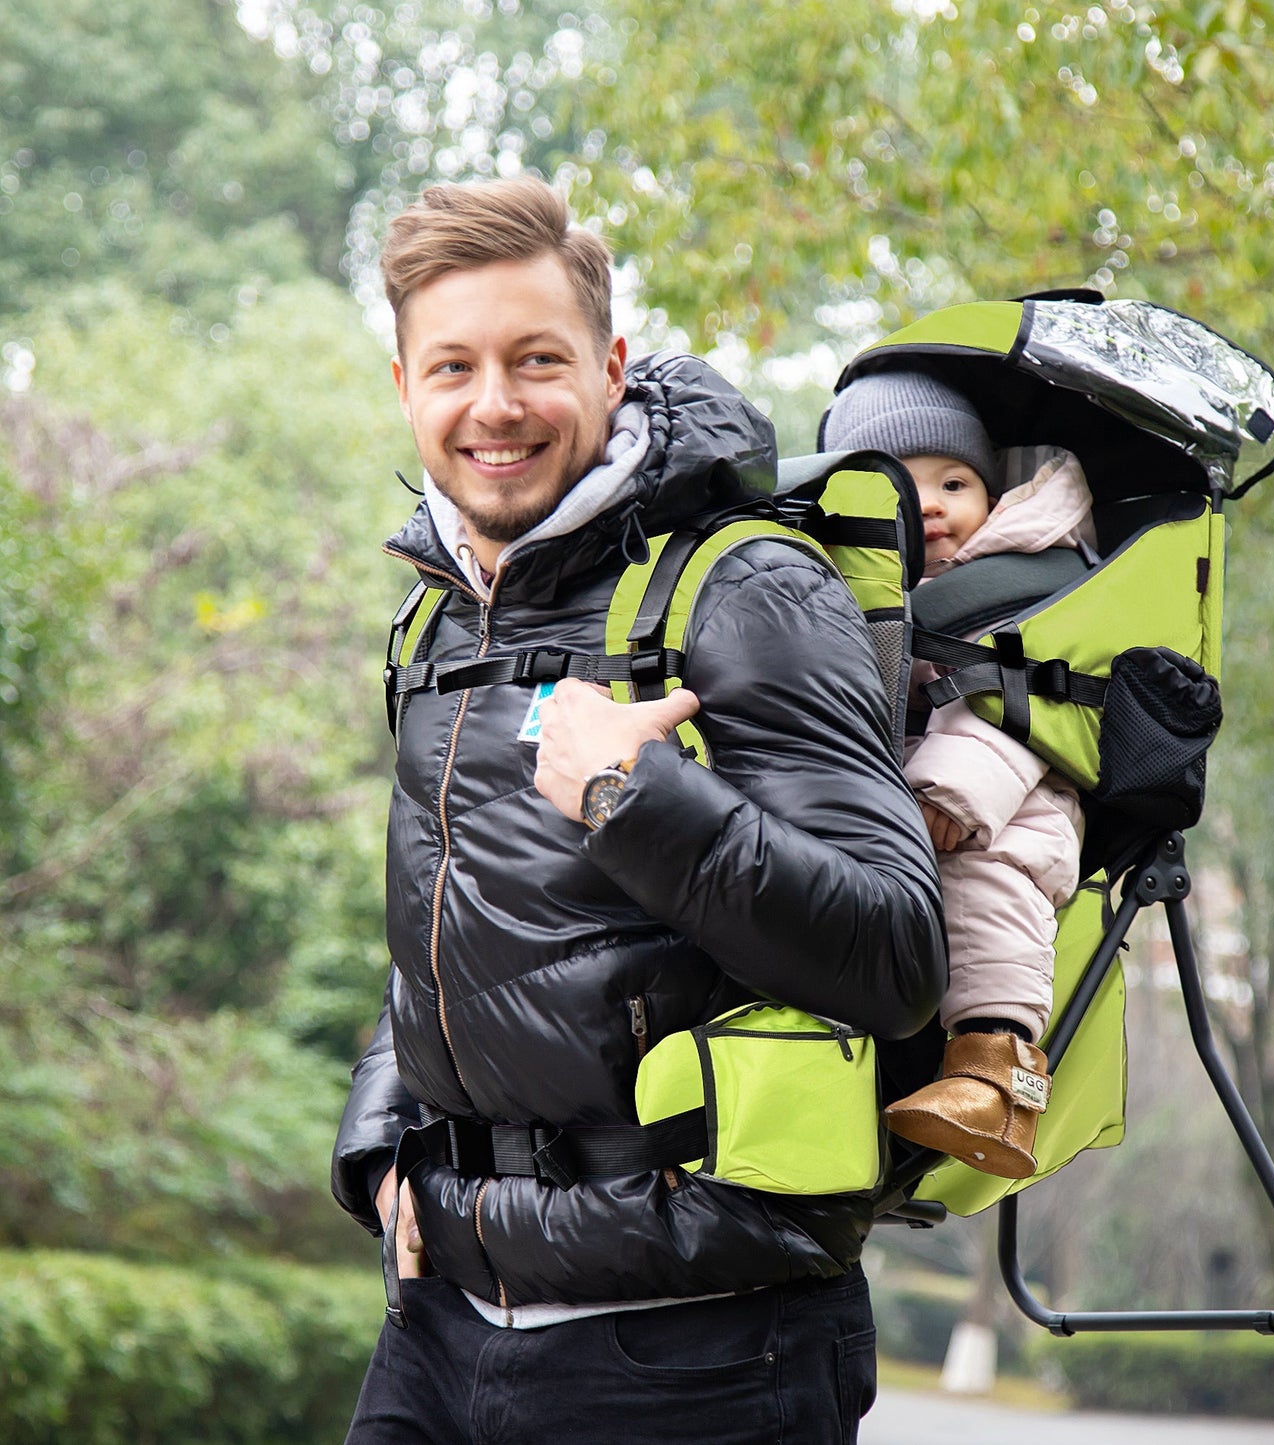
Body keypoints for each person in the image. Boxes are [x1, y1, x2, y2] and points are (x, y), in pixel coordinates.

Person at [329, 178, 946, 1444]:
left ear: (609, 368)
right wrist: (381, 1145)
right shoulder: (439, 611)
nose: (493, 404)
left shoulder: (747, 589)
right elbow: (449, 926)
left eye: (535, 359)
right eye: (452, 366)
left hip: (699, 1344)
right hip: (441, 1325)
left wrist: (634, 799)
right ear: (404, 386)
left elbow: (893, 958)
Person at [822, 370, 1095, 1180]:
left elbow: (1024, 704)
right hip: (895, 803)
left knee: (989, 881)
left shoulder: (1027, 577)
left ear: (993, 494)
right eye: (902, 491)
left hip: (1005, 798)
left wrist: (948, 792)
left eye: (953, 483)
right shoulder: (844, 592)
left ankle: (995, 1072)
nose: (932, 505)